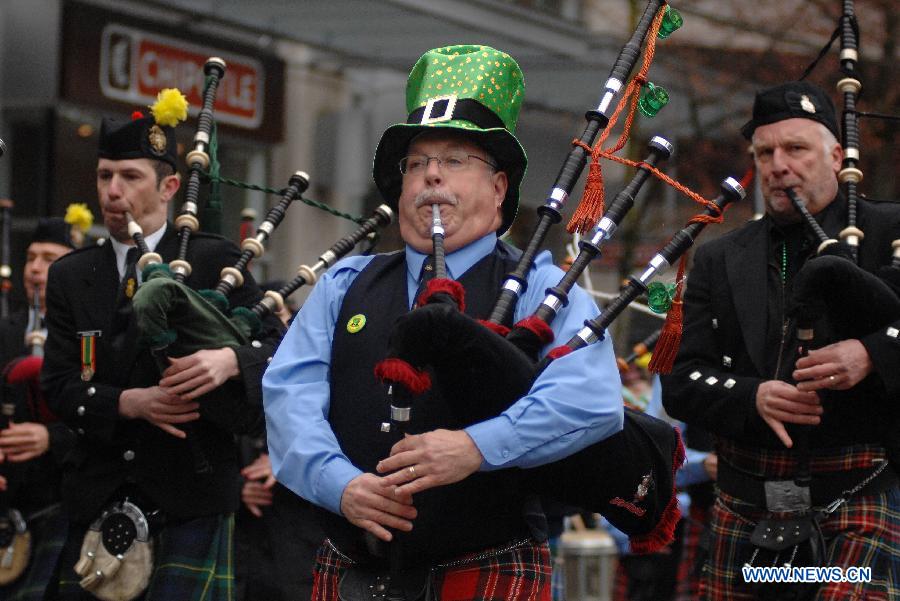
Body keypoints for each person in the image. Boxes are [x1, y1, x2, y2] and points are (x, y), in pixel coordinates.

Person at [263, 44, 624, 600]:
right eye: (417, 163)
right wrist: (343, 486)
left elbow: (590, 399)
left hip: (486, 564)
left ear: (499, 188)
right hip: (352, 567)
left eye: (455, 160)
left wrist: (476, 447)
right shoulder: (344, 284)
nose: (432, 176)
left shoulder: (540, 290)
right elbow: (289, 397)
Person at [662, 80, 900, 600]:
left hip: (857, 493)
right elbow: (681, 382)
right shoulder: (721, 257)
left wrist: (872, 353)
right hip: (748, 503)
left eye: (795, 148)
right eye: (764, 152)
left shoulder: (890, 231)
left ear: (836, 155)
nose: (777, 164)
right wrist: (754, 395)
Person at [41, 100, 283, 600]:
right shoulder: (70, 275)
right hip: (96, 499)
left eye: (130, 177)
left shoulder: (216, 259)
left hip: (189, 496)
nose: (112, 192)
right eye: (105, 175)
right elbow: (60, 385)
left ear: (169, 186)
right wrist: (133, 404)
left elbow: (281, 350)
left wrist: (228, 361)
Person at [0, 217, 76, 599]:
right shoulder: (4, 332)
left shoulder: (86, 336)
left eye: (48, 259)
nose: (34, 268)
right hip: (9, 500)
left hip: (66, 498)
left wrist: (52, 437)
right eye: (31, 258)